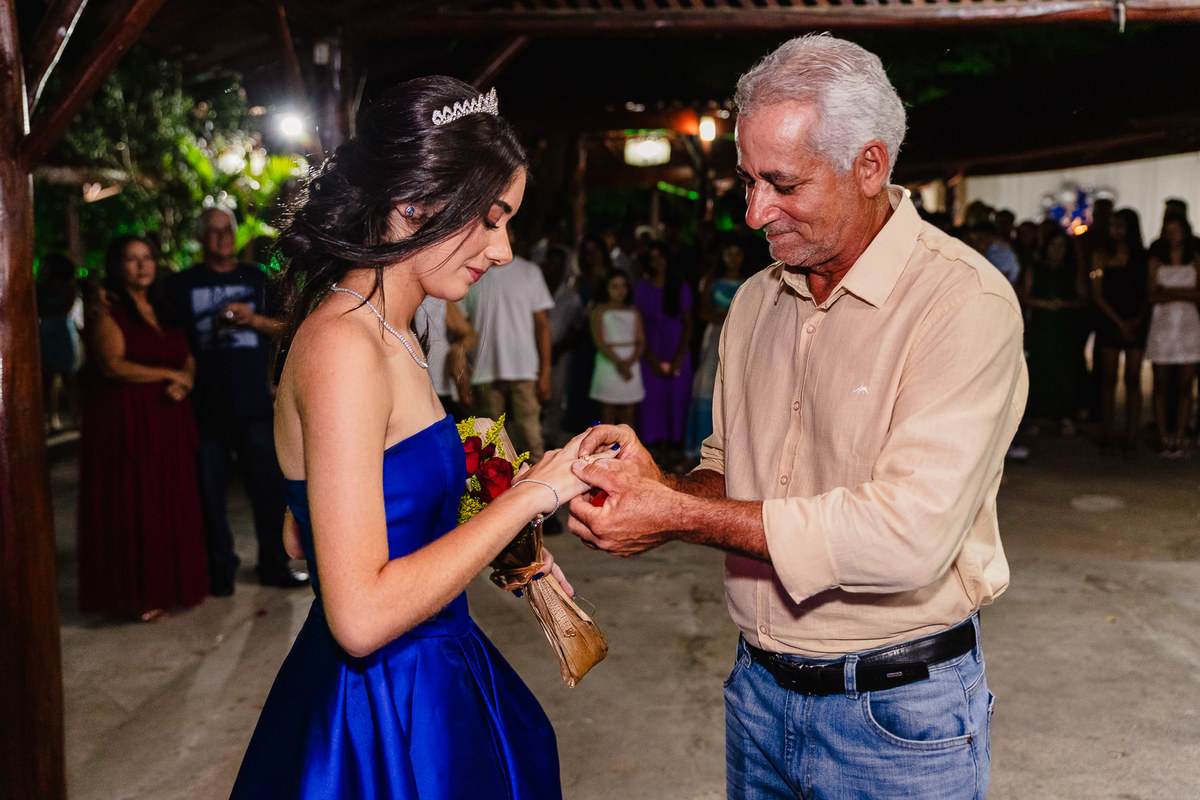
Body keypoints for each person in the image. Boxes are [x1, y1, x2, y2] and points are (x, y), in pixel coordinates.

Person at [567, 34, 1027, 800]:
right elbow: (728, 467)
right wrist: (662, 490)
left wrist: (678, 516)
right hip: (758, 695)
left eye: (782, 183)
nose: (755, 213)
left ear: (869, 166)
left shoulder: (961, 304)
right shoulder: (756, 300)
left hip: (897, 717)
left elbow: (906, 537)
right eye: (748, 181)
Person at [228, 77, 597, 800]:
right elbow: (360, 618)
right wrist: (526, 500)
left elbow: (306, 533)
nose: (502, 249)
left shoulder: (399, 327)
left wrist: (494, 540)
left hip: (433, 669)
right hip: (382, 707)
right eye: (490, 220)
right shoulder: (343, 346)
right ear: (409, 206)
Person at [163, 206, 307, 595]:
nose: (221, 237)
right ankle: (219, 571)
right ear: (201, 237)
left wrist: (252, 320)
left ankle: (274, 565)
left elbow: (287, 327)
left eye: (227, 229)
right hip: (202, 406)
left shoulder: (258, 279)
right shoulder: (180, 285)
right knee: (209, 493)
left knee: (268, 490)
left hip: (254, 404)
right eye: (212, 231)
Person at [76, 235, 208, 621]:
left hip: (168, 419)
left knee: (168, 499)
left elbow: (187, 357)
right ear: (117, 267)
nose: (141, 265)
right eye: (132, 260)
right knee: (134, 501)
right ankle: (136, 594)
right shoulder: (108, 310)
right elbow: (111, 364)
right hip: (126, 421)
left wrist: (186, 379)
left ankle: (167, 586)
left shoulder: (163, 309)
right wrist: (169, 373)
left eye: (147, 258)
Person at [463, 242, 555, 460]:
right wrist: (463, 373)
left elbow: (542, 326)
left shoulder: (529, 271)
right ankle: (496, 494)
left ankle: (541, 490)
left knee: (531, 440)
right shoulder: (471, 273)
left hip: (524, 369)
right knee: (488, 445)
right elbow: (459, 326)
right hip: (484, 370)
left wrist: (545, 373)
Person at [1018, 228, 1089, 436]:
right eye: (1054, 246)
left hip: (1064, 325)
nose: (1057, 251)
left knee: (1065, 368)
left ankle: (1065, 413)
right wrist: (1043, 304)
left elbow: (1083, 298)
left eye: (1062, 247)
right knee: (1040, 367)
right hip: (1042, 324)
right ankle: (1038, 414)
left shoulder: (1071, 271)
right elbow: (1025, 295)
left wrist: (1064, 304)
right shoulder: (1035, 269)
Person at [1090, 208, 1149, 455]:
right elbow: (1097, 291)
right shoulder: (1100, 257)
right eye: (1112, 225)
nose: (1115, 231)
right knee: (1108, 379)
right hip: (1110, 320)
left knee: (1133, 380)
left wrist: (1134, 321)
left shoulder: (1142, 258)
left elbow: (1149, 291)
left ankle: (1131, 433)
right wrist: (1119, 322)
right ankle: (1108, 430)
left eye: (1120, 225)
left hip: (1135, 319)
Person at [685, 236, 749, 461]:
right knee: (707, 386)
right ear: (723, 257)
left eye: (738, 254)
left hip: (740, 337)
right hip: (714, 337)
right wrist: (727, 316)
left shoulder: (749, 282)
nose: (733, 259)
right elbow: (703, 312)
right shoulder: (712, 281)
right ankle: (698, 447)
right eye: (729, 254)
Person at [1143, 213, 1200, 458]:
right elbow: (1151, 295)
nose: (1172, 235)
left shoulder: (1195, 258)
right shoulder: (1156, 259)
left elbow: (1198, 295)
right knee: (1162, 384)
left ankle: (1179, 436)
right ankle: (1163, 436)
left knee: (1186, 384)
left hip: (1188, 325)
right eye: (1168, 230)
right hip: (1163, 325)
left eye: (1176, 230)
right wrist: (1184, 293)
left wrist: (1169, 291)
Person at [633, 241, 693, 466]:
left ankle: (669, 451)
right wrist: (650, 357)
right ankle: (651, 452)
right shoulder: (641, 287)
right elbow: (637, 324)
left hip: (676, 348)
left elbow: (688, 324)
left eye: (661, 256)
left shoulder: (679, 285)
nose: (657, 262)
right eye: (653, 257)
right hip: (649, 349)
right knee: (651, 400)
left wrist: (678, 357)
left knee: (675, 399)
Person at [589, 268, 644, 427]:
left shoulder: (633, 311)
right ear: (606, 288)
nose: (620, 291)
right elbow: (599, 341)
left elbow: (641, 341)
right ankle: (608, 450)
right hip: (608, 362)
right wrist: (619, 363)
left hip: (631, 361)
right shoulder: (599, 311)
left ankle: (627, 450)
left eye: (623, 286)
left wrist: (629, 362)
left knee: (628, 413)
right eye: (615, 286)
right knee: (607, 412)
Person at [36, 252, 84, 431]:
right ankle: (52, 418)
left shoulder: (68, 286)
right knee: (48, 378)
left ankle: (75, 416)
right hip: (48, 333)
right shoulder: (42, 288)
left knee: (69, 377)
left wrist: (50, 312)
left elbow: (65, 308)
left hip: (62, 332)